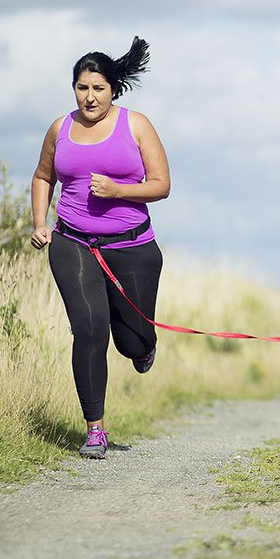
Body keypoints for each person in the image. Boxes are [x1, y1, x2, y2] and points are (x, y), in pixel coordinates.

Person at [30, 36, 170, 459]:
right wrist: (40, 222)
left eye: (98, 88)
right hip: (72, 242)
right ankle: (95, 429)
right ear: (74, 88)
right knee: (89, 327)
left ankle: (144, 345)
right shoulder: (61, 129)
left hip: (131, 247)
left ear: (114, 89)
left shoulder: (137, 125)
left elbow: (161, 186)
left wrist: (118, 190)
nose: (89, 97)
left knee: (130, 341)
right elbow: (42, 177)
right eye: (82, 88)